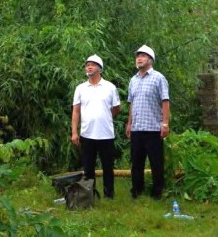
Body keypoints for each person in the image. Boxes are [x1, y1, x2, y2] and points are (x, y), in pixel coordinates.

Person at [71, 54, 121, 200]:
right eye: (87, 65)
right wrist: (74, 132)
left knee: (108, 167)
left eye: (92, 64)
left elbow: (117, 108)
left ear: (100, 68)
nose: (89, 67)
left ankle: (109, 195)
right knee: (88, 168)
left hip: (106, 134)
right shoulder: (80, 88)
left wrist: (105, 117)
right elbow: (76, 111)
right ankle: (89, 195)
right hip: (87, 134)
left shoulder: (110, 87)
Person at [125, 44, 170, 200]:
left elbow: (165, 101)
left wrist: (165, 124)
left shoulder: (158, 78)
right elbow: (131, 103)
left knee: (156, 163)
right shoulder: (133, 80)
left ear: (150, 59)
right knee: (136, 163)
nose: (139, 59)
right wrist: (129, 124)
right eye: (138, 56)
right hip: (137, 128)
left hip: (153, 128)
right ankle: (137, 190)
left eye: (143, 56)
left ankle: (157, 192)